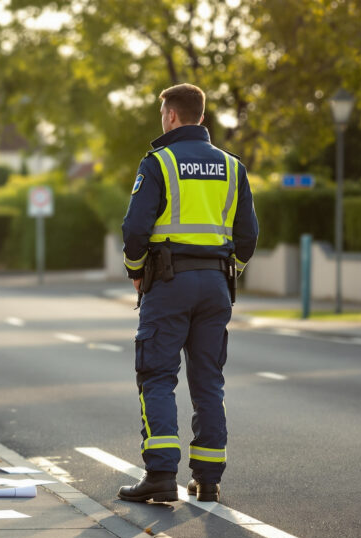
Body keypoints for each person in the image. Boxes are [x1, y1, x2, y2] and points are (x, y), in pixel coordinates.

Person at [117, 83, 258, 504]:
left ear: (172, 115)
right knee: (208, 379)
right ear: (202, 116)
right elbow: (248, 236)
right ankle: (207, 480)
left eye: (162, 113)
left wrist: (136, 271)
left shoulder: (158, 162)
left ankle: (161, 475)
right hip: (216, 286)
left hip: (169, 283)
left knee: (157, 375)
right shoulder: (233, 166)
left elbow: (135, 229)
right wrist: (229, 272)